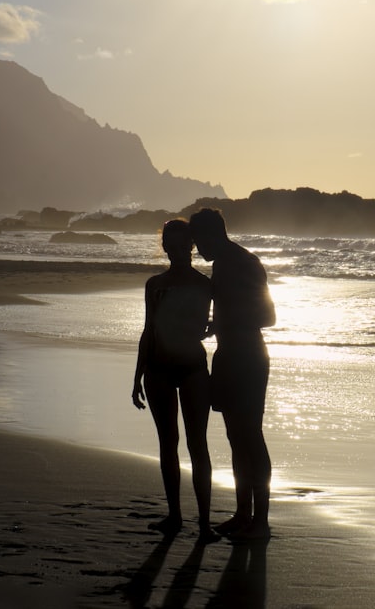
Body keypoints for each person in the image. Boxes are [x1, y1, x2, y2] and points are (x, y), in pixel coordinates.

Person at [188, 208, 276, 542]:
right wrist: (215, 327)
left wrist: (222, 324)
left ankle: (261, 520)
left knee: (251, 435)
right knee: (235, 438)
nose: (196, 249)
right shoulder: (222, 264)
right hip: (226, 355)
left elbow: (268, 316)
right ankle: (243, 513)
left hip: (249, 358)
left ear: (213, 234)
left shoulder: (244, 262)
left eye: (198, 241)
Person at [132, 219, 218, 542]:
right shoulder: (154, 285)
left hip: (193, 368)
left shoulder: (204, 284)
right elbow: (148, 330)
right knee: (168, 443)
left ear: (190, 247)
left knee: (198, 444)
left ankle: (206, 524)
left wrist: (209, 329)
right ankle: (175, 516)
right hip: (158, 369)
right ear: (165, 246)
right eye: (171, 244)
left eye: (183, 245)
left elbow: (211, 324)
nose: (178, 250)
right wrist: (137, 375)